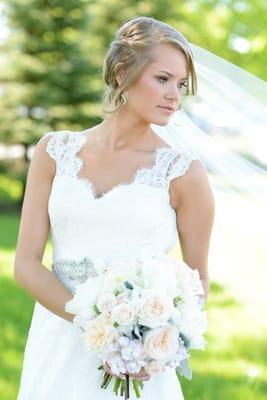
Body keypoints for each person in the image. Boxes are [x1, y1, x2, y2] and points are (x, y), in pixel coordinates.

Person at [14, 16, 215, 399]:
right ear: (123, 73)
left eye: (181, 84)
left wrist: (149, 342)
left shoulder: (185, 173)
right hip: (56, 345)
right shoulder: (52, 152)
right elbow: (25, 263)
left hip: (135, 358)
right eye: (162, 79)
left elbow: (197, 283)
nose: (175, 94)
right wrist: (99, 327)